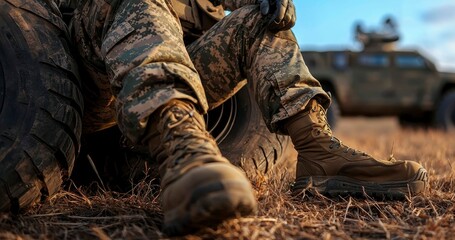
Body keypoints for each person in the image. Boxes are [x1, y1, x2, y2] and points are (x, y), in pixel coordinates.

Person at [70, 0, 428, 236]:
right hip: (84, 73)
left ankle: (319, 152)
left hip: (178, 58)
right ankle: (182, 145)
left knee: (261, 22)